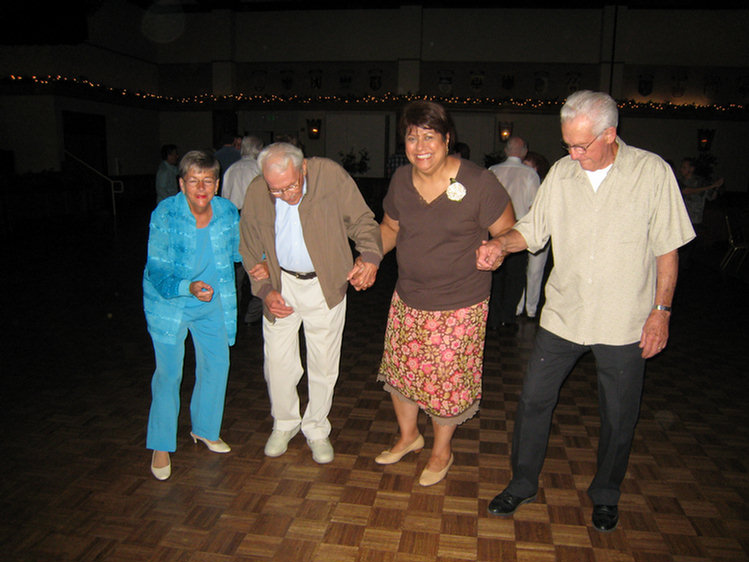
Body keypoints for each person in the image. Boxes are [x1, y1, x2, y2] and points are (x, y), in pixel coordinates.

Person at [479, 90, 695, 532]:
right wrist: (501, 245)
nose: (573, 155)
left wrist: (661, 311)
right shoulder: (561, 174)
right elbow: (534, 229)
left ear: (610, 134)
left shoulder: (651, 172)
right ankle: (521, 483)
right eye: (567, 145)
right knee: (534, 399)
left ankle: (606, 493)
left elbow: (667, 248)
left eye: (581, 145)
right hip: (564, 314)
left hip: (624, 319)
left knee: (619, 414)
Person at [376, 101, 515, 486]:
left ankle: (442, 451)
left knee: (445, 380)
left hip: (460, 302)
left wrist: (497, 247)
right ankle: (408, 436)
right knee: (402, 371)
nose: (420, 145)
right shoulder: (401, 180)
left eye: (429, 136)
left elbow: (508, 230)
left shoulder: (479, 182)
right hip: (407, 296)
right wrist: (369, 257)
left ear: (447, 138)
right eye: (411, 136)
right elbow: (389, 227)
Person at [239, 142, 382, 464]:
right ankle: (285, 422)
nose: (285, 195)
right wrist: (264, 290)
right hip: (281, 283)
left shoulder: (330, 175)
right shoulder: (258, 189)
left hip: (325, 282)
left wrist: (370, 257)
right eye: (276, 190)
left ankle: (316, 428)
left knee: (323, 363)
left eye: (291, 185)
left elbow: (361, 220)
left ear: (303, 168)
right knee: (277, 361)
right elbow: (248, 244)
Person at [143, 150, 241, 481]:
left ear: (217, 183)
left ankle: (205, 429)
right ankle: (160, 445)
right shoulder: (166, 213)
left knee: (217, 366)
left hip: (212, 304)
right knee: (169, 375)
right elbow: (156, 269)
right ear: (182, 183)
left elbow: (240, 250)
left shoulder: (227, 211)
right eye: (194, 180)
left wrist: (262, 259)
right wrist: (189, 285)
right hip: (170, 304)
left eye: (208, 180)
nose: (201, 187)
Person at [487, 136, 540, 330]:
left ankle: (493, 318)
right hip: (518, 232)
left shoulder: (493, 171)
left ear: (507, 151)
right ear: (524, 152)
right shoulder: (530, 175)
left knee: (495, 275)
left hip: (493, 230)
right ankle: (508, 317)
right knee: (515, 277)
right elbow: (536, 206)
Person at [222, 135, 265, 325]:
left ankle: (235, 315)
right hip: (252, 224)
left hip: (231, 224)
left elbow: (223, 199)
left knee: (236, 273)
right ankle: (253, 314)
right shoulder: (259, 169)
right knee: (258, 271)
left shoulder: (231, 169)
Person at [517, 150, 552, 319]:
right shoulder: (523, 182)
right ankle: (518, 306)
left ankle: (531, 308)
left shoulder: (546, 186)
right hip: (521, 232)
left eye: (529, 166)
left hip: (541, 233)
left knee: (535, 272)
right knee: (520, 271)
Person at [676, 157, 724, 271]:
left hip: (695, 218)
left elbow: (711, 197)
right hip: (681, 218)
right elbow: (686, 191)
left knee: (688, 248)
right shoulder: (679, 181)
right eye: (682, 167)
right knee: (680, 248)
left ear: (691, 169)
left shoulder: (700, 182)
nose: (681, 169)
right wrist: (712, 186)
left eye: (684, 167)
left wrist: (716, 188)